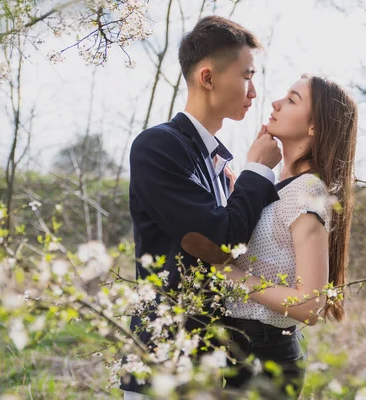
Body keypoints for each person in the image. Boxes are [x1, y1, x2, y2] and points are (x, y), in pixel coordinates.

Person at [120, 16, 282, 398]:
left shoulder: (218, 164)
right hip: (160, 367)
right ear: (208, 78)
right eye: (246, 76)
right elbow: (220, 242)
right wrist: (257, 170)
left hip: (206, 368)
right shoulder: (157, 146)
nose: (254, 91)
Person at [220, 74, 359, 399]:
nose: (275, 103)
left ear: (314, 127)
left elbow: (311, 304)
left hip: (266, 354)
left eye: (292, 100)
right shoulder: (283, 188)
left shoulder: (308, 191)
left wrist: (231, 276)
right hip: (240, 348)